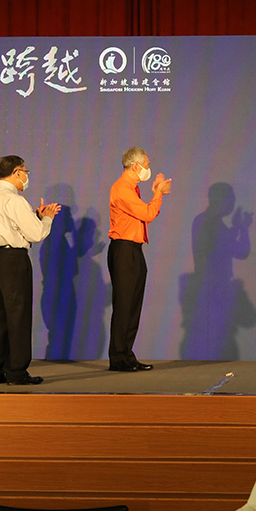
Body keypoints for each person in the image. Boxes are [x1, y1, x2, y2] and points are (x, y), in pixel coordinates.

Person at [0, 155, 60, 386]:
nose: (26, 177)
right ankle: (16, 371)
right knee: (17, 315)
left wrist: (35, 217)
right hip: (12, 259)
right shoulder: (15, 200)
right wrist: (46, 219)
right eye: (25, 172)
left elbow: (5, 225)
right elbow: (36, 234)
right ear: (16, 172)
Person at [107, 147, 172, 372]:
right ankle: (118, 357)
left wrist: (156, 194)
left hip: (134, 249)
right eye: (146, 164)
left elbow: (143, 216)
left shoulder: (132, 188)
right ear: (135, 166)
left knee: (133, 305)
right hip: (124, 250)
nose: (148, 168)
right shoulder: (122, 188)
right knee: (124, 305)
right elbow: (147, 214)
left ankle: (127, 354)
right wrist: (158, 194)